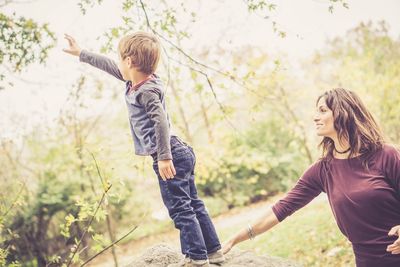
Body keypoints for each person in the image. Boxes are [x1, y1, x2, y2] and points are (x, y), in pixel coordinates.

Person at [63, 32, 224, 267]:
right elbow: (109, 66)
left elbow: (160, 121)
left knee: (180, 208)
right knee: (193, 203)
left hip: (170, 155)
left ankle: (196, 258)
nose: (117, 63)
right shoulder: (137, 82)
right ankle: (214, 251)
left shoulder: (146, 91)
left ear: (129, 62)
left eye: (120, 59)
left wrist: (164, 157)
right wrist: (82, 53)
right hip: (181, 152)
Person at [222, 88, 400, 267]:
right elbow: (281, 208)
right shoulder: (323, 170)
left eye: (323, 111)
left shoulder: (386, 155)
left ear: (343, 113)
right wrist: (233, 239)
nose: (315, 117)